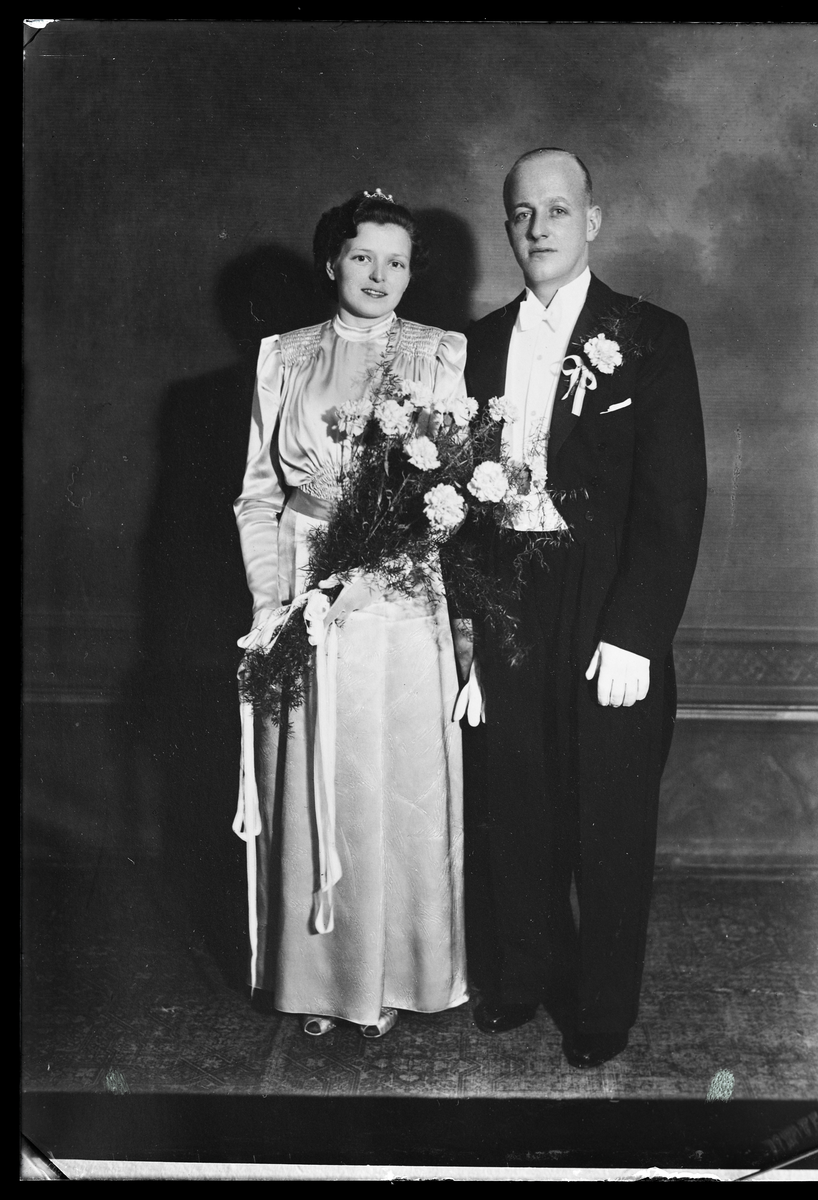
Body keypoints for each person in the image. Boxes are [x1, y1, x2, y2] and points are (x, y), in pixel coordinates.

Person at [464, 148, 707, 1067]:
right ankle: (522, 977)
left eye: (557, 210)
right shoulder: (475, 344)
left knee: (608, 808)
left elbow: (674, 498)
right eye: (522, 213)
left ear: (592, 221)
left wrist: (635, 633)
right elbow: (453, 506)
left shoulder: (649, 335)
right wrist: (467, 637)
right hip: (508, 598)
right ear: (507, 226)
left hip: (605, 600)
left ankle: (602, 1006)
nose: (538, 229)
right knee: (514, 798)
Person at [233, 189, 469, 1039]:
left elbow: (444, 493)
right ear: (332, 259)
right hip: (300, 582)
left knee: (391, 781)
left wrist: (368, 576)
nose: (378, 275)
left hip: (397, 595)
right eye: (363, 256)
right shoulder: (284, 357)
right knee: (308, 775)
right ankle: (319, 984)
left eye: (395, 262)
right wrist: (271, 601)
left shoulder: (438, 354)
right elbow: (257, 496)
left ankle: (395, 979)